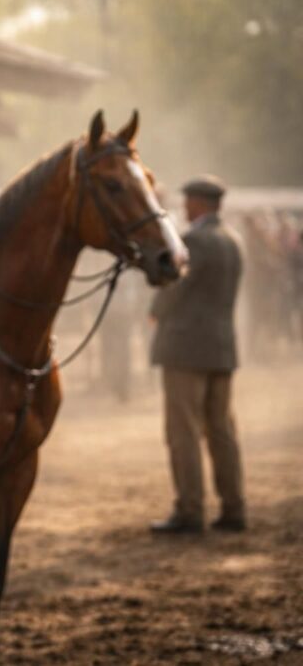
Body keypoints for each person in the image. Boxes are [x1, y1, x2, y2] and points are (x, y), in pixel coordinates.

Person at [149, 174, 245, 534]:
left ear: (200, 203)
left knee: (183, 431)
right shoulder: (233, 240)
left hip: (185, 349)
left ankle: (190, 509)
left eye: (188, 200)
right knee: (221, 430)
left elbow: (174, 285)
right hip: (221, 348)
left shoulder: (194, 240)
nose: (185, 206)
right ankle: (233, 506)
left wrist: (155, 311)